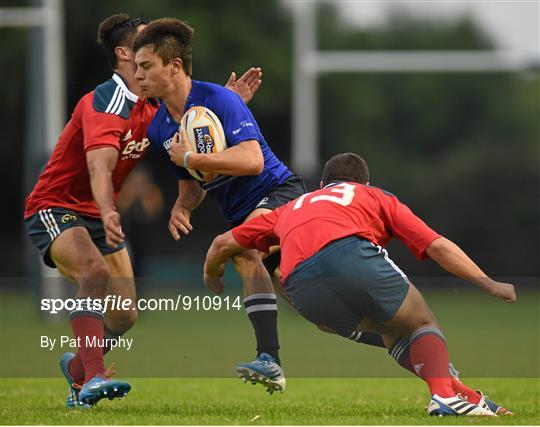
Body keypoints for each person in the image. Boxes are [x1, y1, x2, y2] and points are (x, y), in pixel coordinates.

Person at [24, 13, 263, 408]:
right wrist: (107, 209)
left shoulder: (151, 107)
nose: (153, 45)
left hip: (99, 215)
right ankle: (93, 380)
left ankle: (78, 372)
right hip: (56, 207)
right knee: (94, 273)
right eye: (143, 42)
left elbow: (190, 124)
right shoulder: (107, 100)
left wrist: (226, 103)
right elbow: (99, 166)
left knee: (124, 315)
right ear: (125, 53)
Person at [203, 153, 516, 416]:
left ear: (322, 185)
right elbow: (437, 246)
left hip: (301, 289)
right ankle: (445, 397)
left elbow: (221, 243)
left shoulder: (293, 206)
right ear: (364, 183)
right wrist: (487, 284)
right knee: (421, 321)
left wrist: (210, 273)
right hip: (349, 255)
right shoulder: (374, 195)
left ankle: (462, 395)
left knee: (392, 332)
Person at [132, 17, 308, 393]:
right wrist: (182, 207)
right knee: (316, 307)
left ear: (174, 66)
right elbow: (193, 184)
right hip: (245, 213)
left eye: (146, 66)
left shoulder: (218, 99)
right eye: (135, 68)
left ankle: (270, 361)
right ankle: (409, 341)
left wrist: (191, 160)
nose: (138, 76)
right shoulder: (159, 126)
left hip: (280, 192)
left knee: (242, 247)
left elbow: (252, 161)